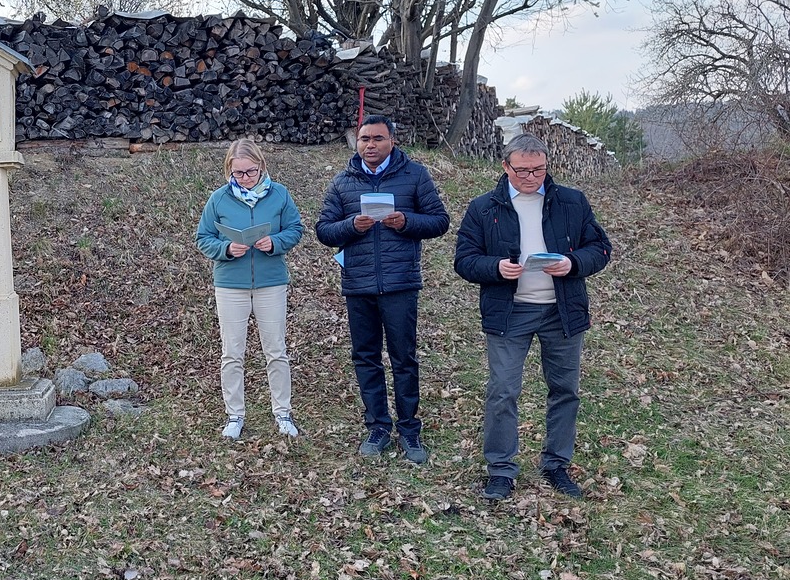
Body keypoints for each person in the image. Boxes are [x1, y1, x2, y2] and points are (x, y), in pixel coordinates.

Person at [453, 133, 612, 501]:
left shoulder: (571, 201)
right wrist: (495, 268)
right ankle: (501, 470)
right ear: (505, 167)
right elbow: (464, 259)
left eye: (538, 169)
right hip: (509, 312)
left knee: (565, 390)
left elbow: (600, 248)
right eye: (522, 170)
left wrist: (572, 263)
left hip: (562, 311)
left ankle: (556, 464)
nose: (531, 177)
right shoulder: (484, 207)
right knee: (503, 391)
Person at [315, 115, 449, 463]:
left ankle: (409, 429)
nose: (370, 145)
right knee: (366, 357)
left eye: (377, 138)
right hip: (358, 284)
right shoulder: (343, 182)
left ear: (392, 141)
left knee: (404, 358)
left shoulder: (414, 175)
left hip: (400, 282)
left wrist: (406, 221)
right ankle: (377, 426)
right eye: (364, 139)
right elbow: (324, 230)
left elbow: (439, 221)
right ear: (356, 143)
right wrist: (351, 226)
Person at [194, 139, 305, 440]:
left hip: (271, 282)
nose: (244, 178)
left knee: (276, 350)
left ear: (261, 166)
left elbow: (295, 228)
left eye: (250, 172)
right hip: (231, 284)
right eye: (238, 173)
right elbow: (203, 237)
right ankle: (235, 415)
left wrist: (276, 242)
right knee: (232, 353)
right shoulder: (219, 199)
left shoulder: (279, 194)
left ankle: (283, 412)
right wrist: (226, 249)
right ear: (228, 170)